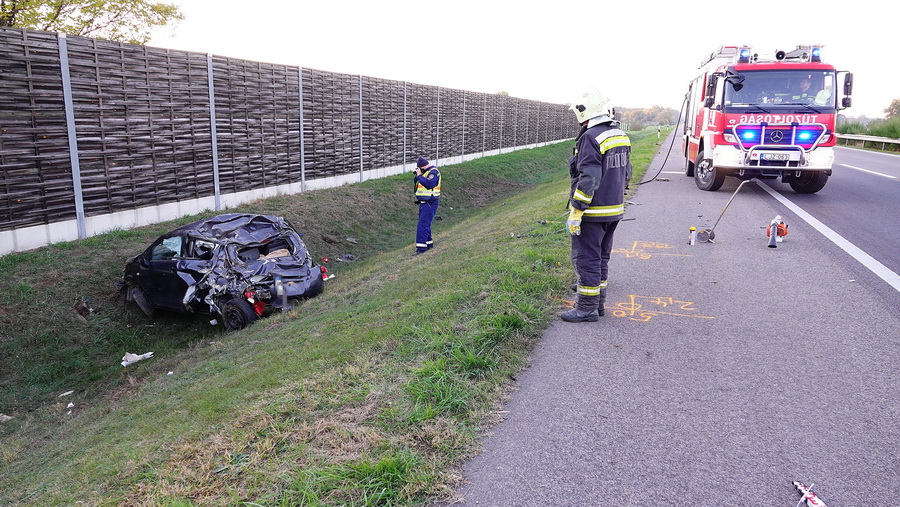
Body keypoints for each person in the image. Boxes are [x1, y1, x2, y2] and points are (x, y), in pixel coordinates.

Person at [561, 88, 631, 323]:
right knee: (601, 257)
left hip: (593, 211)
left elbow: (589, 176)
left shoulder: (591, 137)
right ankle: (598, 303)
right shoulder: (619, 134)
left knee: (587, 258)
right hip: (614, 210)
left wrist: (577, 211)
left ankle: (586, 308)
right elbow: (627, 172)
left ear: (585, 112)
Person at [413, 156, 441, 255]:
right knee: (425, 224)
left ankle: (421, 248)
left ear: (422, 167)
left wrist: (420, 175)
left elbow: (429, 184)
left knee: (422, 225)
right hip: (424, 203)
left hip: (430, 203)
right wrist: (417, 177)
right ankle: (428, 244)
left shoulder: (433, 172)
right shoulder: (426, 172)